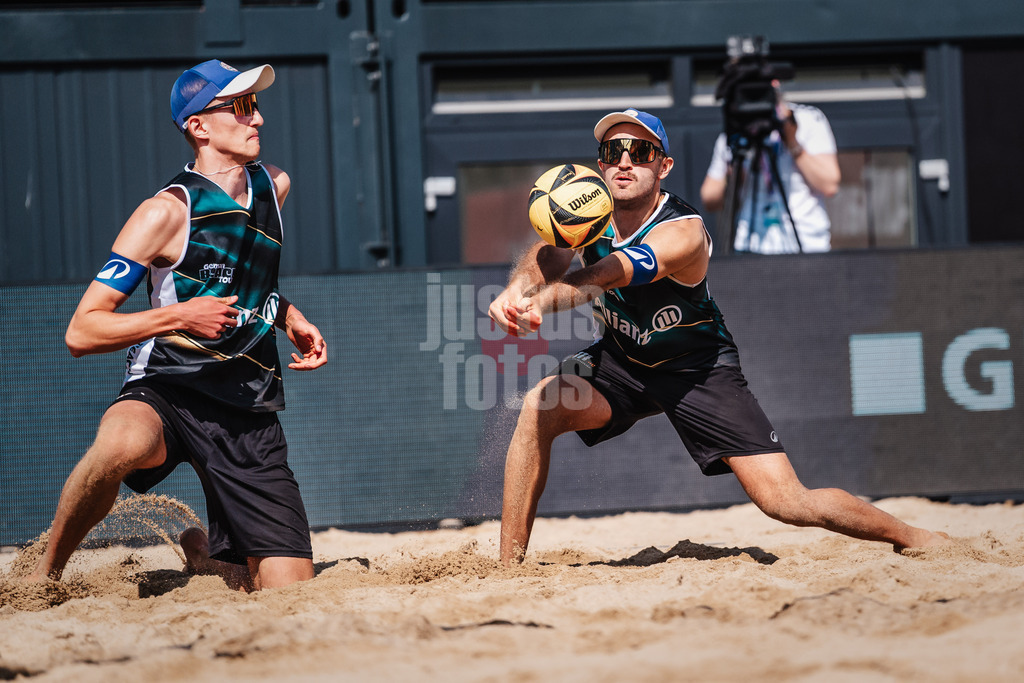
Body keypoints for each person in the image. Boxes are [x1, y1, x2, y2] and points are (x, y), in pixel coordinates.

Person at [488, 108, 947, 565]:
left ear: (663, 166)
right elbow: (547, 254)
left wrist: (543, 302)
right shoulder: (589, 213)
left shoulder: (683, 230)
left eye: (641, 151)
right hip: (624, 362)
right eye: (613, 151)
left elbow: (612, 273)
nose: (625, 161)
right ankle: (509, 567)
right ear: (601, 163)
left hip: (698, 370)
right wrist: (516, 291)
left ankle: (912, 536)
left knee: (786, 502)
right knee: (538, 408)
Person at [23, 59, 327, 592]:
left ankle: (205, 554)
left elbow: (244, 281)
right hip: (167, 387)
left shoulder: (273, 187)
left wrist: (287, 315)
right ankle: (43, 575)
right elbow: (82, 331)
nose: (256, 119)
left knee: (287, 591)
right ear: (199, 125)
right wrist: (179, 315)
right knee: (119, 447)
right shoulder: (163, 213)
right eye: (240, 106)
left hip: (248, 405)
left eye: (254, 105)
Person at [700, 87, 841, 253]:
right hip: (751, 244)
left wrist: (792, 141)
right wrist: (737, 167)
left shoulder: (805, 119)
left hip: (806, 242)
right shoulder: (736, 131)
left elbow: (829, 185)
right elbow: (709, 199)